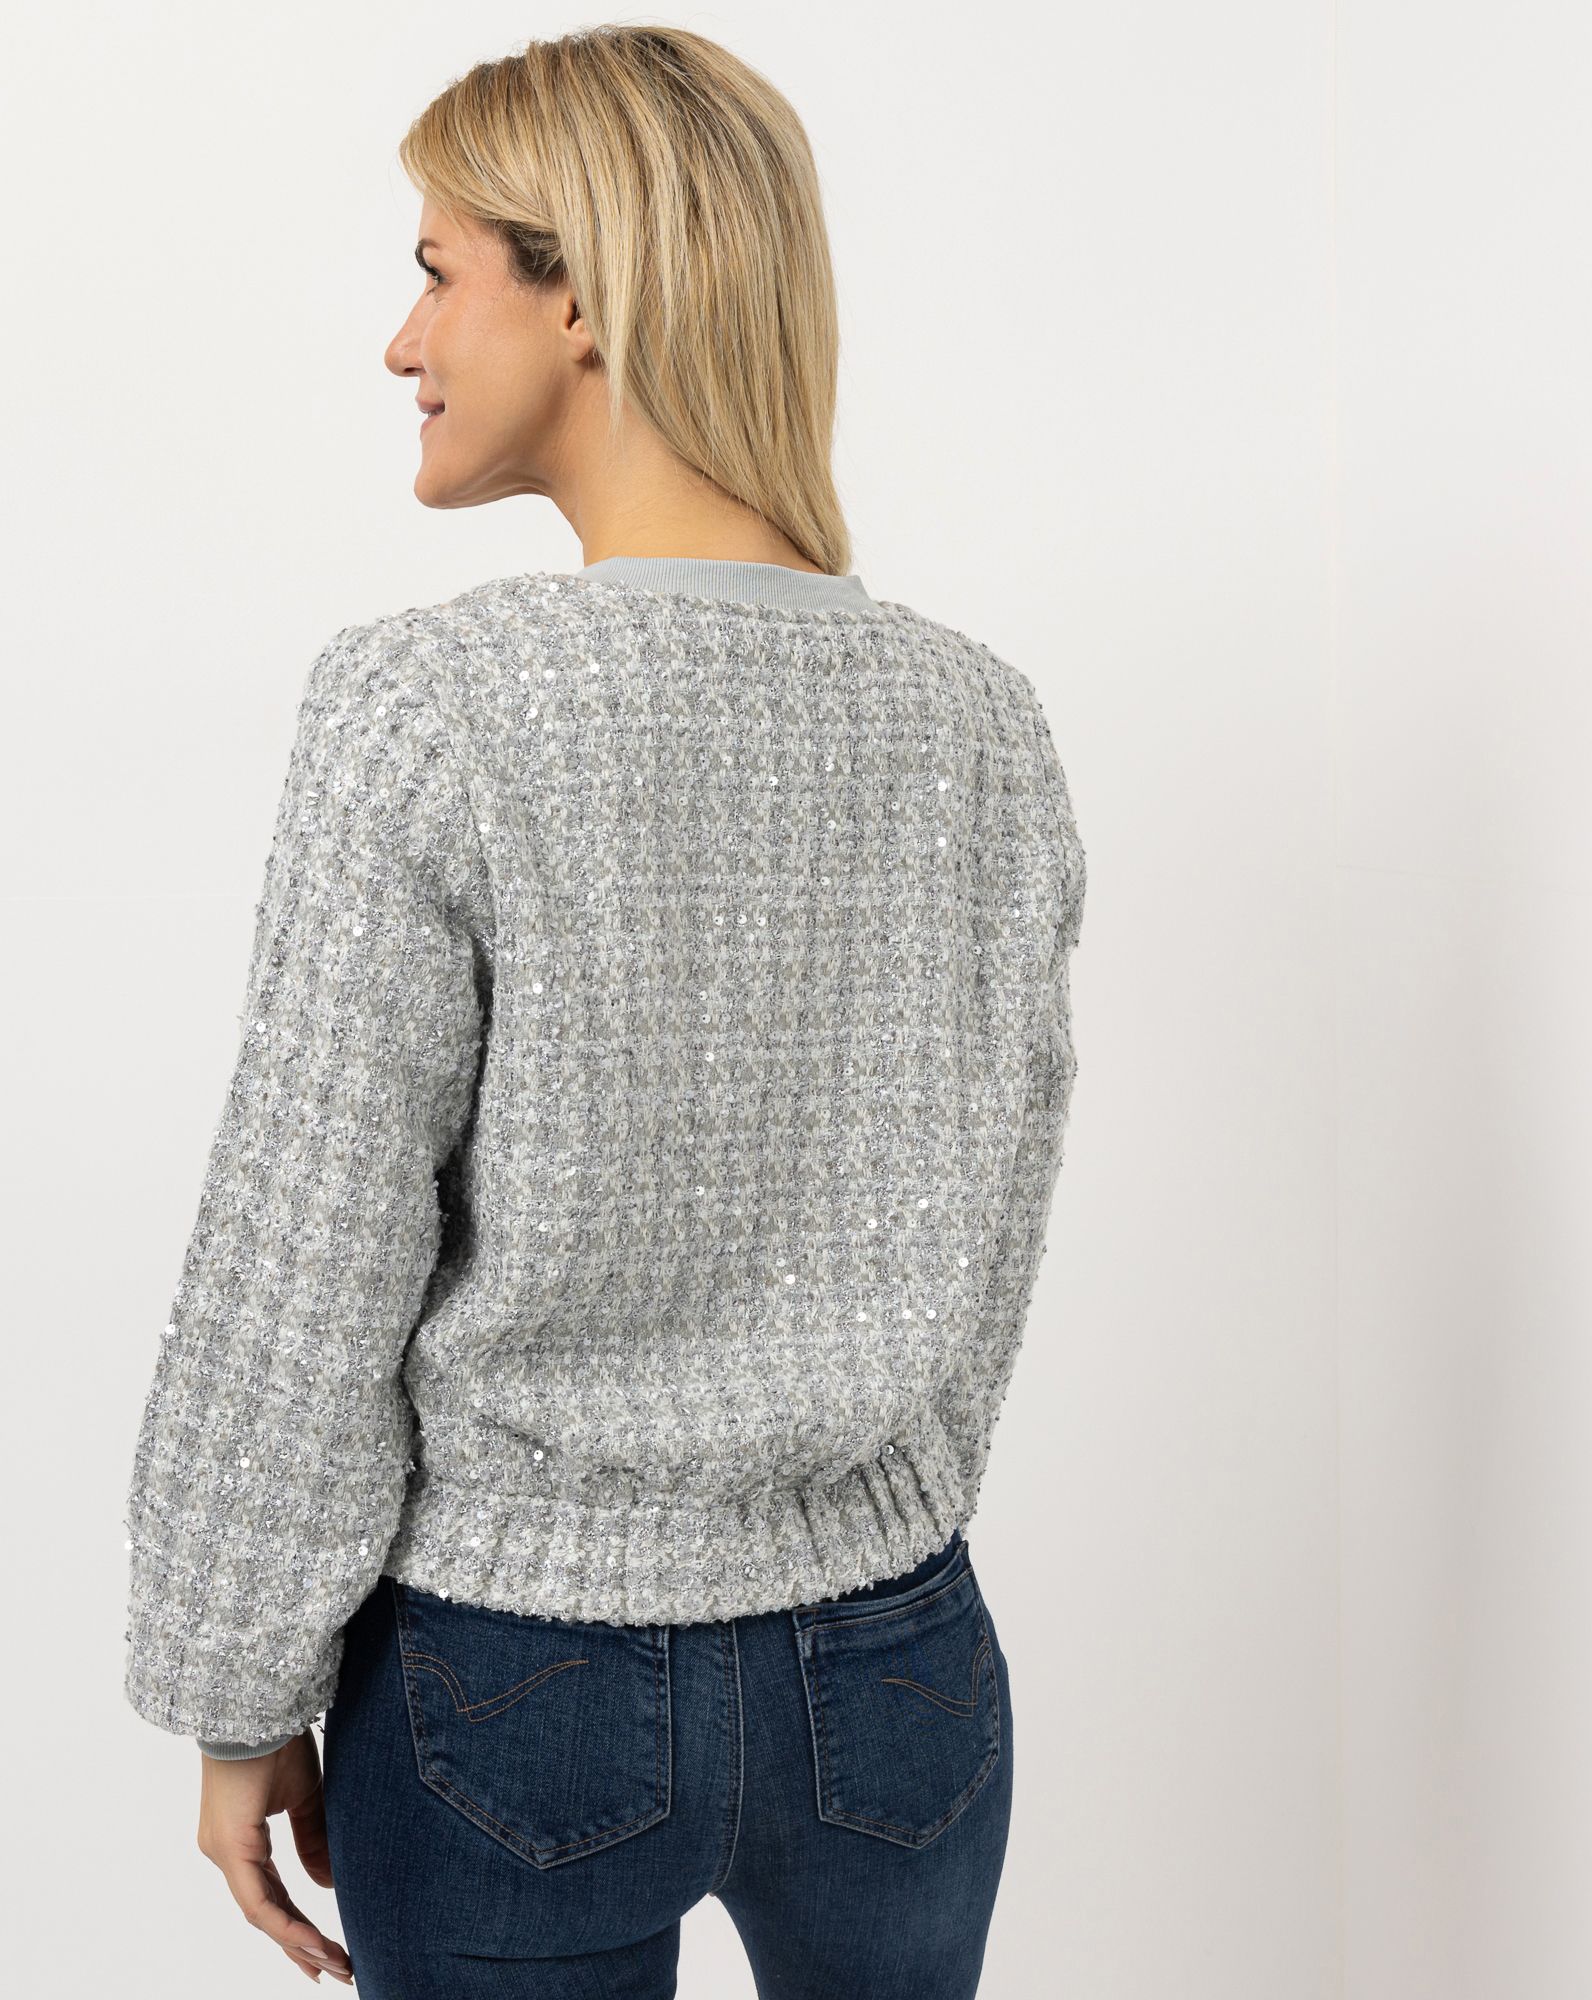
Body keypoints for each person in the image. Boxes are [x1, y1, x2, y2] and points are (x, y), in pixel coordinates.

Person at [121, 24, 1086, 1997]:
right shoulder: (980, 723)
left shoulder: (431, 705)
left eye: (436, 271)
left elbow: (308, 1245)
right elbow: (999, 1202)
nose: (401, 342)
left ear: (584, 294)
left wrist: (236, 1689)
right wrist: (871, 1497)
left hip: (514, 1676)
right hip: (899, 1673)